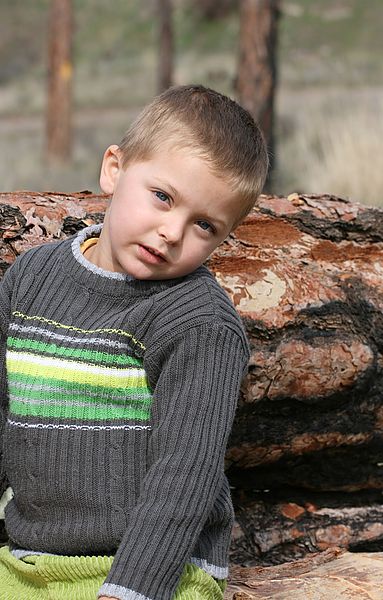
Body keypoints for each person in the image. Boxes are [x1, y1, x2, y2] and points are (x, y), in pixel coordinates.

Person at [0, 84, 269, 600]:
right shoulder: (31, 278)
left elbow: (185, 476)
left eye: (204, 225)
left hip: (159, 571)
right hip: (30, 561)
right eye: (163, 197)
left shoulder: (199, 323)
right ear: (114, 170)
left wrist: (130, 590)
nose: (171, 232)